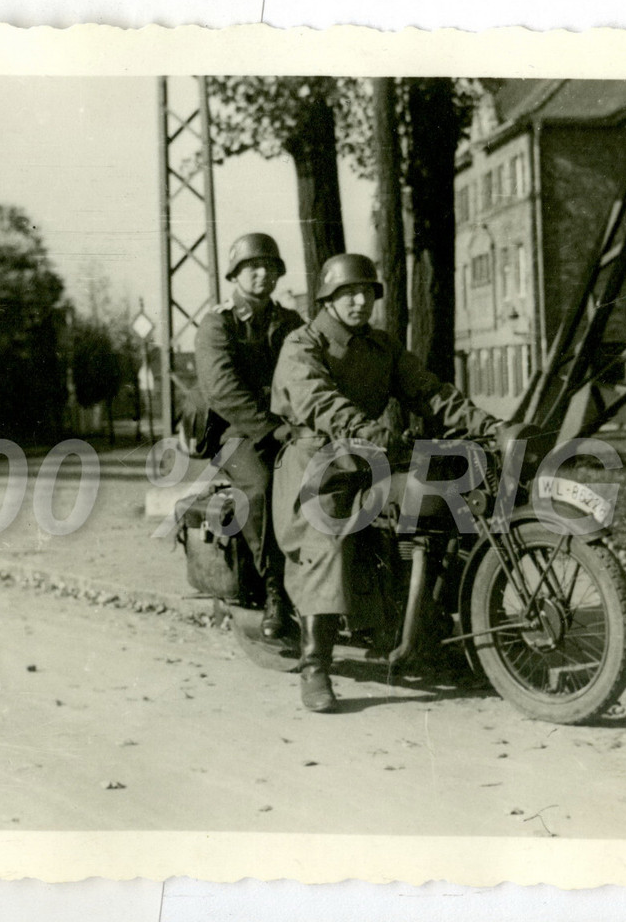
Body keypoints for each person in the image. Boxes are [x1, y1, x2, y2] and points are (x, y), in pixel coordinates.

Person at [271, 253, 504, 713]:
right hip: (315, 467)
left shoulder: (383, 348)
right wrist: (376, 435)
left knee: (441, 505)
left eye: (367, 293)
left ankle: (430, 629)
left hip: (369, 460)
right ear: (328, 298)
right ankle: (315, 661)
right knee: (328, 535)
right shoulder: (303, 344)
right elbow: (321, 402)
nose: (360, 301)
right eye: (348, 293)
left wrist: (490, 426)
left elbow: (430, 391)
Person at [194, 232, 304, 639]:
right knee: (262, 487)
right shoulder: (217, 324)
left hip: (288, 429)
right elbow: (221, 390)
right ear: (235, 274)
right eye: (251, 267)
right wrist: (271, 428)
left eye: (269, 267)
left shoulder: (290, 322)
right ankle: (274, 590)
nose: (261, 273)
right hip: (236, 435)